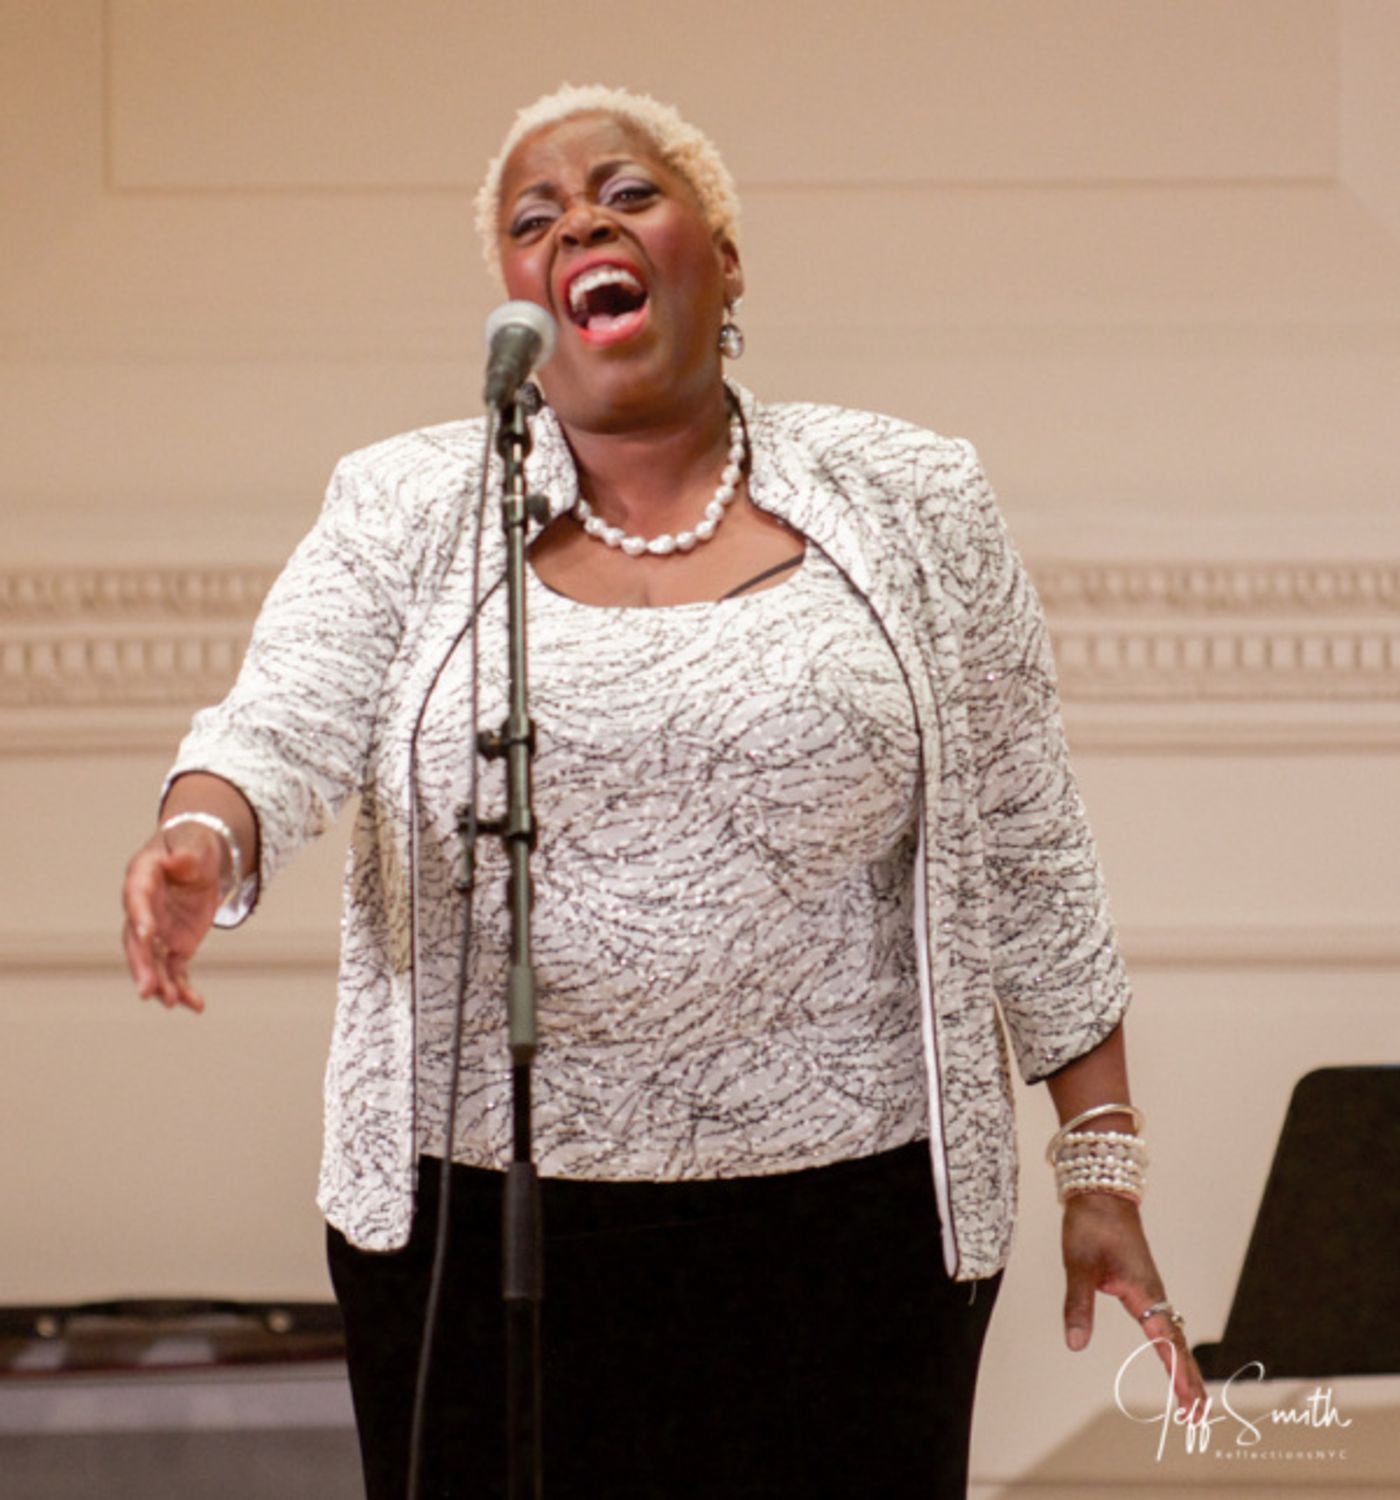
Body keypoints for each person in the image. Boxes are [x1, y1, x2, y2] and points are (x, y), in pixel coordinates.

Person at [122, 83, 1205, 1499]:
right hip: (482, 1222)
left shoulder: (916, 495)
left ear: (725, 255)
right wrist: (204, 830)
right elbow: (282, 718)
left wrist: (1101, 1167)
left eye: (626, 193)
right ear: (521, 294)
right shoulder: (407, 504)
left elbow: (1029, 837)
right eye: (534, 217)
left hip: (850, 1234)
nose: (580, 219)